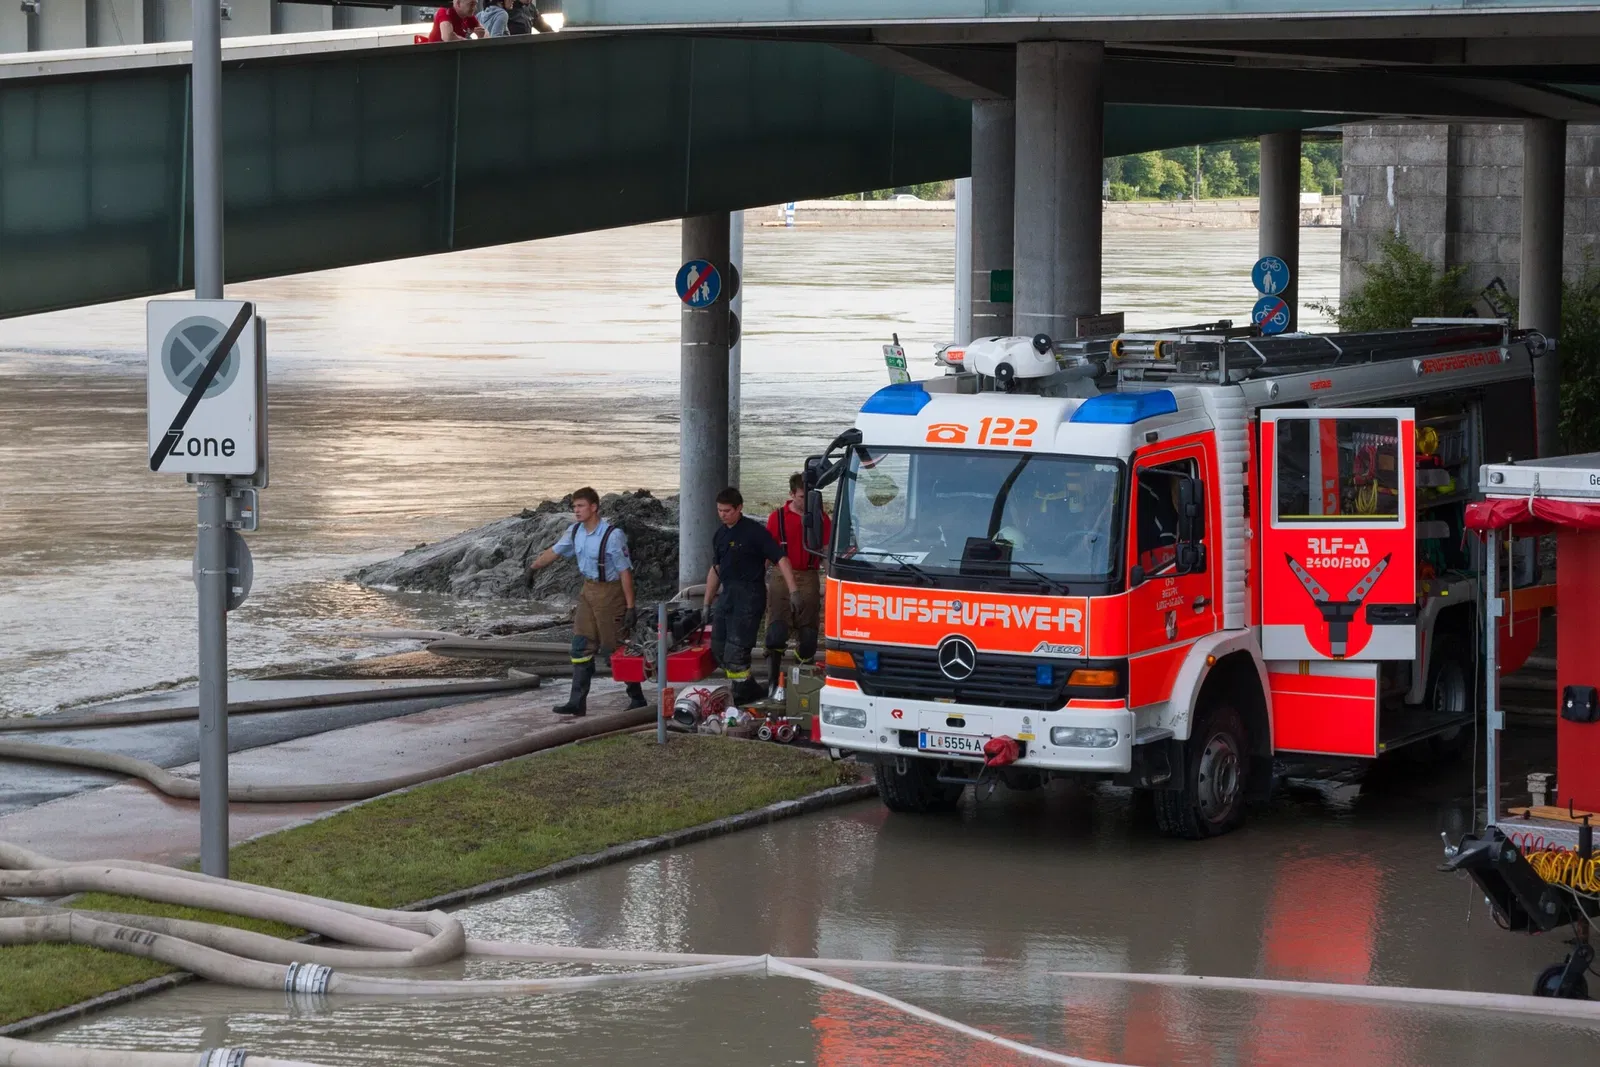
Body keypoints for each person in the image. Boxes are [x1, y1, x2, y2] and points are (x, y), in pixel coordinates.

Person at [528, 488, 647, 715]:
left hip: (611, 593)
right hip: (588, 590)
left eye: (581, 506)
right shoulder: (575, 531)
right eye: (574, 506)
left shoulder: (612, 536)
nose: (576, 510)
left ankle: (637, 698)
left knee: (617, 648)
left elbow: (625, 573)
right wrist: (532, 569)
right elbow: (554, 551)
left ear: (594, 507)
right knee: (580, 645)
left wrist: (631, 607)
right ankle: (577, 702)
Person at [704, 487, 799, 705]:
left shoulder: (755, 532)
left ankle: (744, 692)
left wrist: (793, 590)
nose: (722, 515)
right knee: (718, 649)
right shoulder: (720, 535)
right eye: (719, 510)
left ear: (739, 508)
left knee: (736, 652)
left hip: (749, 596)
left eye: (727, 511)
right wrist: (707, 603)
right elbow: (715, 569)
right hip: (727, 594)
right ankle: (747, 687)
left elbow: (781, 559)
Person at [764, 473, 829, 689]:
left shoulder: (821, 519)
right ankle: (773, 681)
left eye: (809, 497)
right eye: (802, 497)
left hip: (809, 575)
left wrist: (833, 584)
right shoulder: (777, 518)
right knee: (776, 632)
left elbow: (825, 552)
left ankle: (801, 679)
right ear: (791, 494)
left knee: (809, 635)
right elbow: (766, 553)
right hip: (781, 575)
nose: (806, 502)